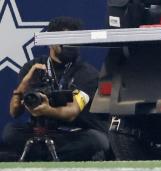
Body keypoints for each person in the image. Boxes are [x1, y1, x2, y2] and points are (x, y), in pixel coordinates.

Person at [3, 17, 109, 161]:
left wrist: (47, 110)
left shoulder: (87, 73)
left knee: (97, 140)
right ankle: (51, 155)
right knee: (10, 132)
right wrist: (24, 83)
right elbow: (14, 112)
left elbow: (72, 112)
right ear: (51, 42)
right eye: (66, 40)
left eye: (75, 40)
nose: (72, 45)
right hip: (41, 132)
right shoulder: (33, 67)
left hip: (71, 134)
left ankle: (38, 156)